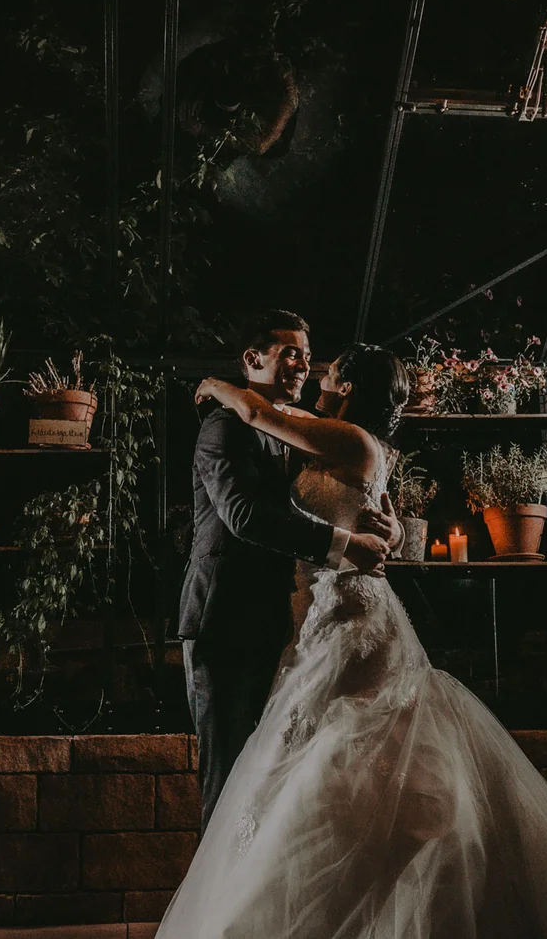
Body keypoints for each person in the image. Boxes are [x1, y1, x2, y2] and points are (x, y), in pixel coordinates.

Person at [158, 343, 547, 939]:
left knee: (345, 742)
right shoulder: (351, 441)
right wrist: (391, 530)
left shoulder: (350, 439)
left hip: (350, 612)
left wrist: (216, 386)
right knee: (326, 750)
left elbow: (258, 413)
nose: (317, 377)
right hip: (319, 609)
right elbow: (379, 516)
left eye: (328, 371)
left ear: (347, 386)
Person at [178, 311, 404, 832]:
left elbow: (369, 501)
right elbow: (244, 516)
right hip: (226, 618)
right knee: (228, 779)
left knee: (276, 782)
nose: (305, 365)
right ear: (252, 358)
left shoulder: (302, 429)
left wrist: (391, 531)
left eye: (309, 356)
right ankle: (219, 885)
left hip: (288, 627)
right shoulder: (224, 425)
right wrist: (347, 544)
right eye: (291, 353)